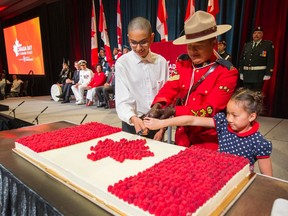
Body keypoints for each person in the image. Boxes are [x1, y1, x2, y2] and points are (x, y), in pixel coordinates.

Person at [146, 11, 238, 149]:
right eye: (189, 46)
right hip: (182, 137)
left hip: (208, 140)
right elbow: (171, 87)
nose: (192, 52)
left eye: (198, 46)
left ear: (214, 43)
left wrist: (174, 111)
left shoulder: (226, 72)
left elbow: (209, 109)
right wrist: (157, 105)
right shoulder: (183, 64)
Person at [144, 88, 273, 176]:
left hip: (240, 181)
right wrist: (162, 123)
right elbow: (192, 120)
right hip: (218, 176)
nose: (229, 119)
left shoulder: (258, 142)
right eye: (228, 113)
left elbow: (268, 179)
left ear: (251, 117)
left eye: (235, 115)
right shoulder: (223, 123)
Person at [115, 16, 169, 140]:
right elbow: (122, 100)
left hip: (157, 123)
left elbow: (166, 98)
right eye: (133, 43)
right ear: (128, 38)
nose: (138, 48)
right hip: (132, 122)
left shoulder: (161, 62)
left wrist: (162, 128)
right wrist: (133, 119)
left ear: (152, 37)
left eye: (143, 42)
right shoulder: (123, 64)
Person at [239, 26, 275, 91]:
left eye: (259, 33)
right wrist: (241, 72)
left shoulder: (267, 45)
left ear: (262, 34)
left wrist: (268, 73)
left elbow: (270, 60)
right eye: (255, 33)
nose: (256, 35)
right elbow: (242, 59)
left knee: (256, 95)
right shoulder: (247, 45)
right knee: (246, 95)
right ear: (252, 34)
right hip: (247, 74)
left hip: (259, 74)